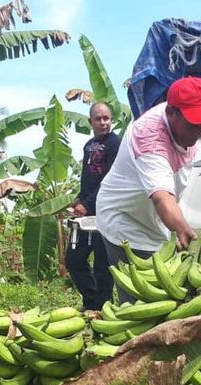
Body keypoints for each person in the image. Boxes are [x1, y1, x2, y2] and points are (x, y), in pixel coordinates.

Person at [95, 77, 201, 300]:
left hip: (154, 222)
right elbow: (162, 197)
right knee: (143, 302)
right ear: (171, 113)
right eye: (195, 123)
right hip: (125, 223)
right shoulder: (149, 136)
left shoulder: (183, 127)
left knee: (169, 294)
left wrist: (176, 228)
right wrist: (182, 228)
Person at [66, 102, 121, 311]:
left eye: (106, 118)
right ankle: (91, 301)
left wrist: (87, 204)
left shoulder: (116, 143)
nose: (103, 122)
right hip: (86, 215)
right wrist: (80, 199)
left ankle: (104, 308)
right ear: (90, 122)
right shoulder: (88, 145)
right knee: (74, 259)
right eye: (98, 119)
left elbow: (109, 180)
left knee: (102, 265)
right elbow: (87, 179)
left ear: (111, 120)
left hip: (106, 212)